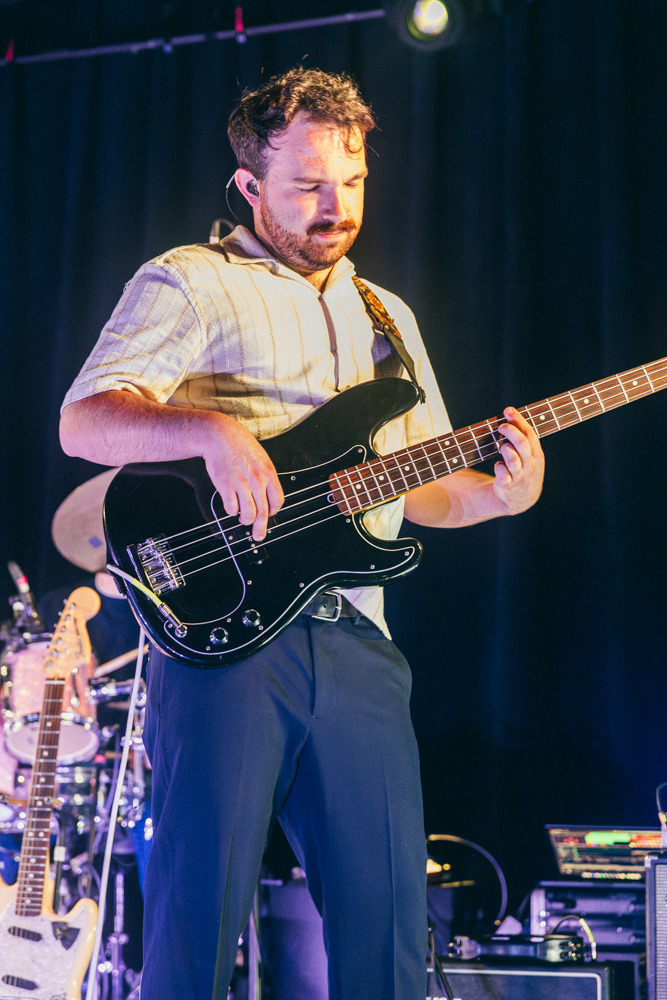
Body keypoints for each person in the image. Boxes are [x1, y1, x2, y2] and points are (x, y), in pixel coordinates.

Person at [59, 67, 544, 1000]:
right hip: (224, 640)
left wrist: (501, 497)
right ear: (249, 184)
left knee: (388, 933)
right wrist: (210, 431)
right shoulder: (189, 281)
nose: (337, 207)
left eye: (352, 181)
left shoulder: (385, 314)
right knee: (195, 929)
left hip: (358, 638)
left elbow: (425, 487)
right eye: (309, 185)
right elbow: (84, 421)